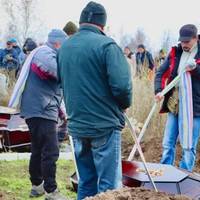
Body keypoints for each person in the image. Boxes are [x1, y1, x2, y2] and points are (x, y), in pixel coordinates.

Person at [57, 1, 132, 199]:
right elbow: (122, 87)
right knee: (108, 186)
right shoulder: (107, 45)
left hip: (77, 126)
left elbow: (62, 81)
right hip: (104, 125)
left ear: (80, 22)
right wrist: (123, 106)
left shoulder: (64, 48)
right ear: (102, 25)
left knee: (86, 181)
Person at [20, 29, 68, 200]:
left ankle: (37, 187)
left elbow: (54, 87)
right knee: (51, 150)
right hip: (41, 109)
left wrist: (62, 112)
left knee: (39, 149)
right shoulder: (45, 54)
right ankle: (51, 191)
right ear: (58, 43)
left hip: (40, 108)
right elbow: (57, 73)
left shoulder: (46, 53)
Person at [155, 24, 200, 172]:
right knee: (168, 143)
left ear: (195, 38)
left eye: (187, 41)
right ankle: (164, 173)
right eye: (182, 41)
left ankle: (184, 176)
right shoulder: (176, 52)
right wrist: (159, 90)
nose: (184, 44)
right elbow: (161, 72)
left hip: (194, 109)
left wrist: (195, 70)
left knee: (188, 146)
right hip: (175, 105)